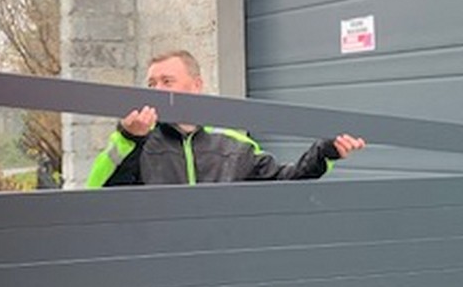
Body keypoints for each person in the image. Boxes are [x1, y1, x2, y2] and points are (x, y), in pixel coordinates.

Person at [86, 48, 365, 187]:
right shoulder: (137, 144)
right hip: (157, 267)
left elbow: (285, 181)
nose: (157, 90)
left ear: (196, 85)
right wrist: (128, 138)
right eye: (151, 84)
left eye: (167, 81)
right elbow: (98, 192)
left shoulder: (232, 145)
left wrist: (324, 153)